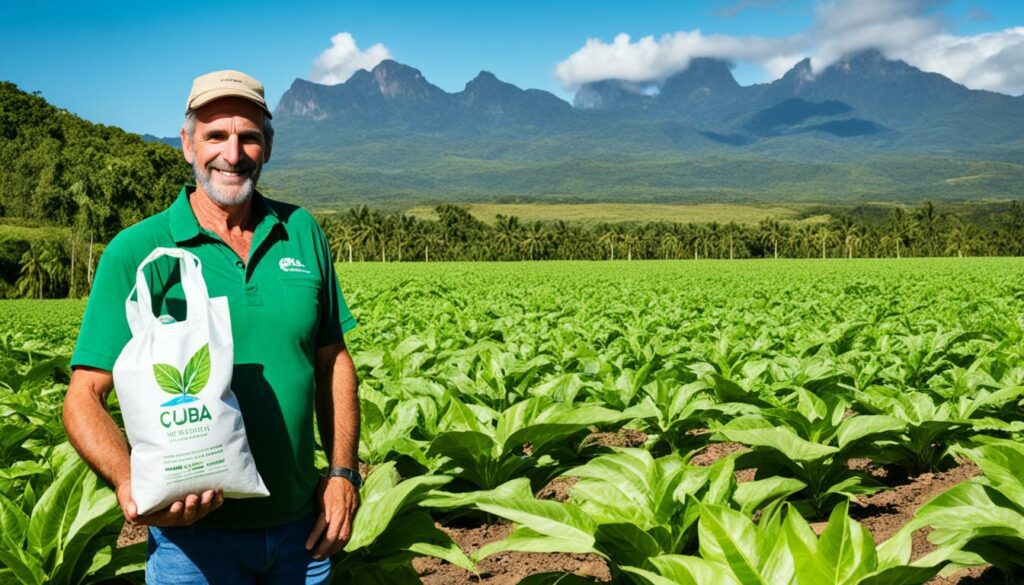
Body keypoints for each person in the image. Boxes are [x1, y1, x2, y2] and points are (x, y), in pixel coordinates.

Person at [62, 69, 360, 584]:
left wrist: (342, 473)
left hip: (302, 533)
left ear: (267, 145)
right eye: (215, 135)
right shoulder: (138, 250)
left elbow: (332, 360)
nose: (232, 152)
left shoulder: (302, 230)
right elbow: (83, 396)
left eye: (248, 136)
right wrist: (130, 484)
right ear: (187, 144)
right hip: (193, 547)